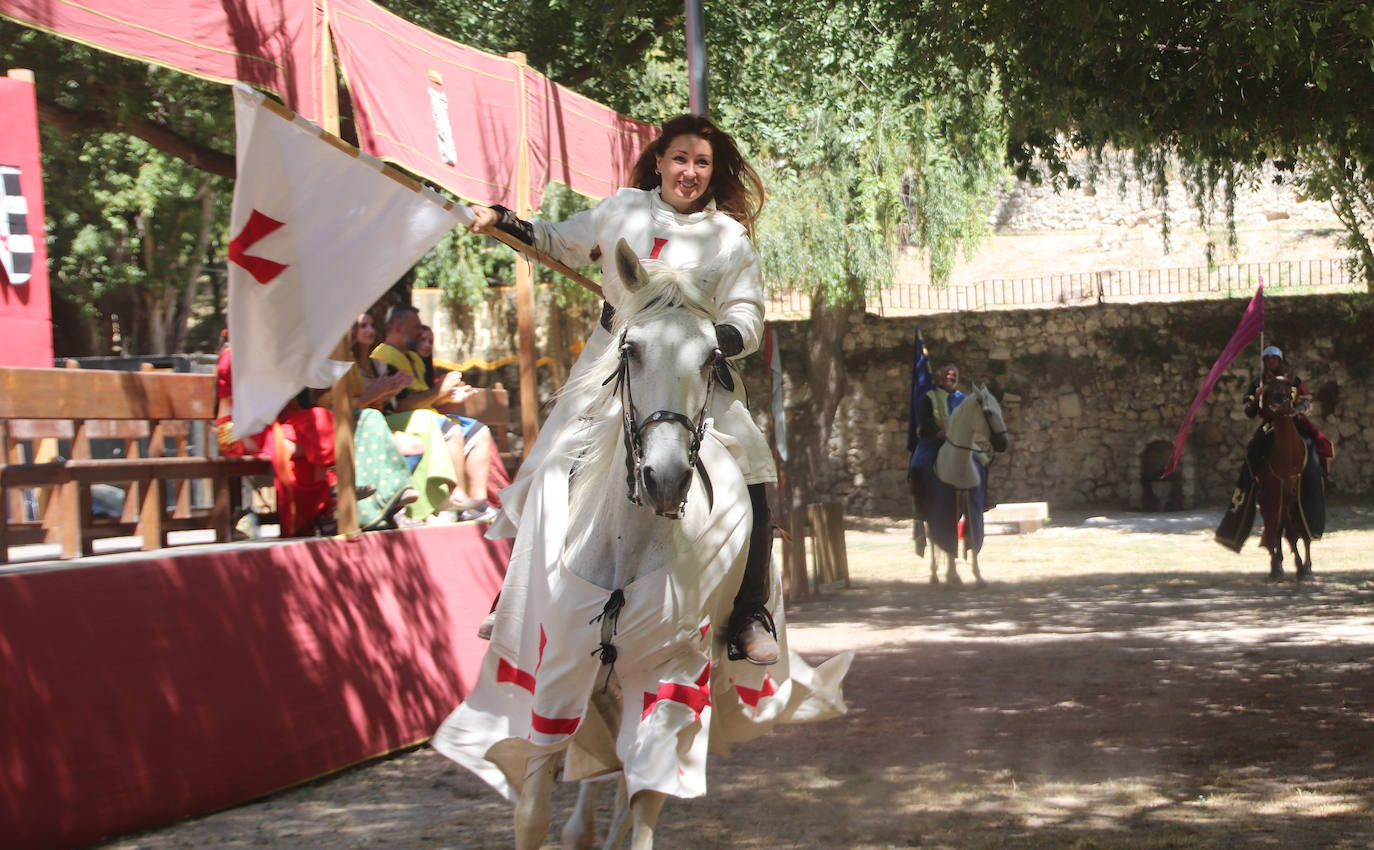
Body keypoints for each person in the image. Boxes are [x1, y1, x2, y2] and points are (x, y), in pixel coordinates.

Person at [469, 113, 780, 665]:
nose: (690, 172)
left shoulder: (729, 239)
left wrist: (711, 341)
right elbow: (558, 243)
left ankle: (750, 611)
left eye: (702, 163)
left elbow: (748, 316)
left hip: (694, 372)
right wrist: (501, 220)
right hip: (617, 363)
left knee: (754, 462)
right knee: (553, 455)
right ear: (658, 161)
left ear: (713, 172)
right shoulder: (622, 210)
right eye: (680, 159)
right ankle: (515, 596)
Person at [372, 304, 498, 522]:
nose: (420, 333)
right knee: (448, 428)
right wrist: (439, 391)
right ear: (397, 328)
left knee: (478, 431)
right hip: (395, 420)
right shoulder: (384, 357)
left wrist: (448, 400)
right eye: (415, 328)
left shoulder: (412, 359)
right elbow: (401, 405)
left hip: (425, 417)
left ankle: (477, 504)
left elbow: (427, 404)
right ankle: (454, 495)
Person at [1217, 344, 1333, 550]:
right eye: (1267, 358)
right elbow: (1249, 411)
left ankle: (1323, 476)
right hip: (1271, 424)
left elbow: (1307, 401)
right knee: (1253, 448)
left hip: (1293, 420)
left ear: (1280, 360)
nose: (1270, 361)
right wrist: (1257, 396)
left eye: (1274, 358)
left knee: (1317, 443)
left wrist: (1297, 410)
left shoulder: (1294, 380)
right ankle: (1251, 483)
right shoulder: (1258, 382)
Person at [907, 364, 989, 554]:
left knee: (982, 463)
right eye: (947, 375)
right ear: (941, 377)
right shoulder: (928, 398)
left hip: (959, 443)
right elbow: (925, 420)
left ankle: (981, 502)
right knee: (918, 467)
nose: (951, 378)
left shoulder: (963, 399)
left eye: (954, 375)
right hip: (935, 442)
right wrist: (938, 432)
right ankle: (921, 506)